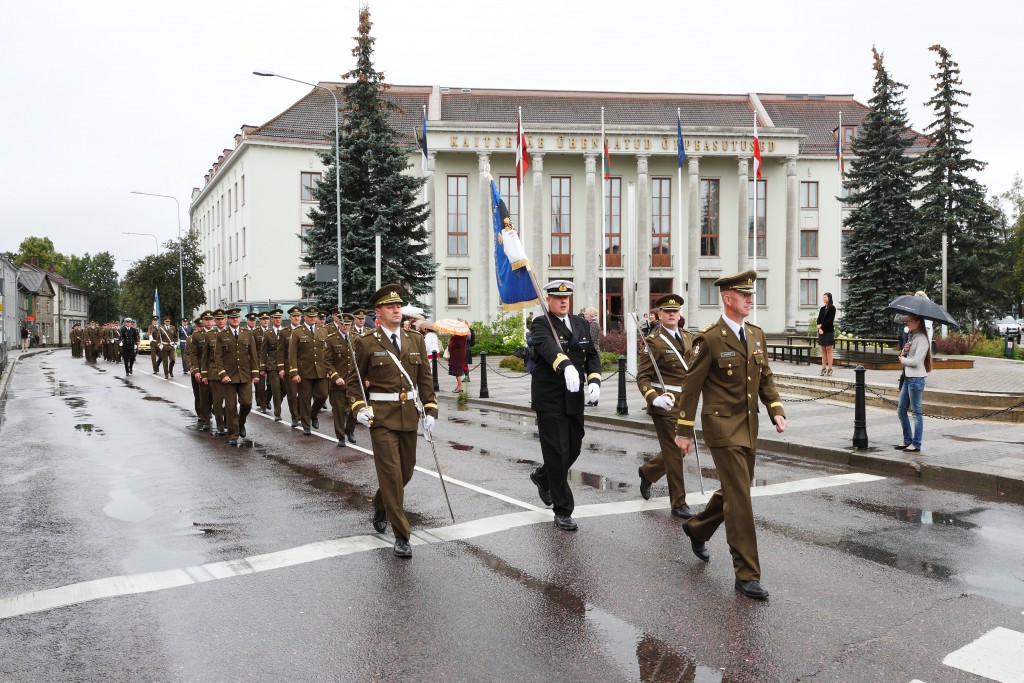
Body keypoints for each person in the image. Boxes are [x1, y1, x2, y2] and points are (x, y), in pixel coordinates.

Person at [674, 270, 786, 601]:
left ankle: (697, 527)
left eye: (751, 294)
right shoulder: (709, 339)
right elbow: (691, 388)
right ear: (728, 298)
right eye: (744, 295)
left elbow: (765, 376)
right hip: (722, 427)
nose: (751, 299)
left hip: (748, 426)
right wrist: (683, 430)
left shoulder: (756, 335)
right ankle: (746, 574)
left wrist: (776, 409)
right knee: (741, 499)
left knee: (734, 491)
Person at [348, 284, 438, 558]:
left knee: (405, 473)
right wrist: (359, 408)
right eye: (390, 306)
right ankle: (402, 535)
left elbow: (424, 379)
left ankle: (380, 503)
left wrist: (431, 409)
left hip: (409, 416)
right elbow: (354, 382)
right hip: (382, 419)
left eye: (398, 305)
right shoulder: (366, 342)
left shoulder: (415, 340)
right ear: (378, 313)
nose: (397, 310)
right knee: (390, 473)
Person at [527, 280, 602, 531]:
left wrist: (594, 380)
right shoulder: (541, 323)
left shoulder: (581, 323)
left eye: (567, 298)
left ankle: (542, 477)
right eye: (558, 298)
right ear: (548, 300)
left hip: (573, 397)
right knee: (557, 452)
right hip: (549, 397)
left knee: (574, 447)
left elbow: (591, 354)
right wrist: (564, 364)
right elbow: (547, 348)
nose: (563, 302)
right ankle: (563, 509)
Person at [636, 294, 695, 519]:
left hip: (686, 404)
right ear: (659, 315)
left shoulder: (689, 338)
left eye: (675, 311)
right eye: (667, 311)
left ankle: (648, 472)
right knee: (676, 450)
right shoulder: (653, 342)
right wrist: (653, 398)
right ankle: (678, 502)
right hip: (665, 403)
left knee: (680, 450)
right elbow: (642, 376)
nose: (672, 314)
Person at [212, 308, 260, 446]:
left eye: (237, 317)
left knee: (247, 403)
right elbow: (218, 357)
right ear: (228, 319)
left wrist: (255, 373)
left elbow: (253, 355)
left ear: (240, 319)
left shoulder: (247, 333)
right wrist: (222, 374)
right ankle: (233, 434)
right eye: (232, 318)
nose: (235, 320)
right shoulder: (222, 335)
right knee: (231, 406)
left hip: (245, 375)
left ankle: (241, 422)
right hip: (229, 377)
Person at [288, 305, 335, 436]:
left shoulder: (323, 331)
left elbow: (327, 352)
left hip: (321, 370)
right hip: (304, 372)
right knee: (305, 399)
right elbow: (292, 354)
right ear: (305, 317)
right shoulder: (297, 332)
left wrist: (329, 369)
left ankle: (313, 415)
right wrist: (294, 372)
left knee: (322, 395)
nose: (312, 318)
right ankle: (306, 425)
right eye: (310, 316)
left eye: (314, 316)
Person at [896, 312, 932, 453]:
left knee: (916, 413)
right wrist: (905, 352)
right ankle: (907, 440)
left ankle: (916, 443)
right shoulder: (912, 337)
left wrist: (903, 360)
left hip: (916, 379)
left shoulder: (922, 339)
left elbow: (917, 362)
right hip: (908, 378)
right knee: (901, 410)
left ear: (918, 322)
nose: (907, 324)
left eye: (909, 321)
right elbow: (909, 356)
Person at [326, 310, 357, 446]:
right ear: (339, 324)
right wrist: (335, 376)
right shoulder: (331, 339)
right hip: (338, 382)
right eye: (344, 325)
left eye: (349, 325)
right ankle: (340, 437)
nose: (347, 328)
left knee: (355, 408)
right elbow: (327, 361)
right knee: (338, 410)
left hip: (353, 381)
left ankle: (349, 429)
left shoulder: (356, 338)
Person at [185, 311, 213, 430]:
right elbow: (188, 354)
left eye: (202, 326)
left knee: (210, 393)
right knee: (199, 393)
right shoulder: (191, 338)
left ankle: (207, 410)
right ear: (196, 327)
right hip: (197, 369)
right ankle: (201, 413)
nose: (201, 328)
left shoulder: (212, 335)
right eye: (199, 326)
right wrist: (191, 366)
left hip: (209, 370)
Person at [277, 306, 304, 428]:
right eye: (294, 316)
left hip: (304, 367)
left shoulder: (305, 330)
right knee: (292, 394)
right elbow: (281, 351)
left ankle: (303, 415)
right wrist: (281, 368)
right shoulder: (284, 332)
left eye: (298, 316)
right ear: (290, 317)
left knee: (304, 394)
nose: (296, 318)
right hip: (289, 367)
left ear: (301, 317)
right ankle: (294, 417)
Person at [261, 309, 286, 422]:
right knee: (275, 389)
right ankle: (277, 412)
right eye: (275, 318)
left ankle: (274, 403)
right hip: (272, 365)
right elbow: (263, 351)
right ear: (272, 319)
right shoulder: (267, 334)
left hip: (285, 365)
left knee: (285, 389)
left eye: (279, 318)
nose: (277, 319)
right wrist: (262, 367)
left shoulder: (286, 332)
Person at [817, 292, 836, 376]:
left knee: (829, 349)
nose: (823, 298)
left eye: (825, 297)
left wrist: (821, 325)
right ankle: (823, 368)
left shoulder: (832, 308)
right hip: (821, 332)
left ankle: (830, 369)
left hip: (829, 331)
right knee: (823, 350)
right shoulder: (822, 308)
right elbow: (818, 319)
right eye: (823, 297)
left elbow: (830, 320)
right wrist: (819, 328)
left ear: (829, 298)